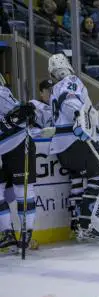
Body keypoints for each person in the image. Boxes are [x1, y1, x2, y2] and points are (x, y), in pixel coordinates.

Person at [48, 53, 99, 242]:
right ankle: (88, 226)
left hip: (61, 148)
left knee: (77, 181)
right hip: (76, 140)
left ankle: (77, 224)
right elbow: (71, 103)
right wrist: (82, 121)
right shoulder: (71, 80)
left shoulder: (54, 88)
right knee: (98, 177)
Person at [0, 75, 37, 252]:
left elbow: (21, 113)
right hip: (3, 151)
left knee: (22, 191)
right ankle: (7, 233)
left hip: (18, 145)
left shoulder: (0, 92)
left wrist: (25, 112)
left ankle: (26, 232)